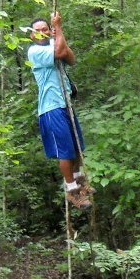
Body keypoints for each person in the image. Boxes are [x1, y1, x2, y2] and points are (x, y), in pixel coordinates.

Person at [28, 12, 92, 210]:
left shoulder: (53, 43)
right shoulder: (34, 52)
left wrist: (58, 33)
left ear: (50, 31)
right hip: (51, 108)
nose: (41, 34)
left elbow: (70, 58)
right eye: (37, 31)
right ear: (31, 35)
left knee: (76, 149)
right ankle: (72, 191)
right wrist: (58, 33)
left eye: (45, 30)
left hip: (66, 106)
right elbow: (58, 53)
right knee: (65, 151)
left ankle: (79, 182)